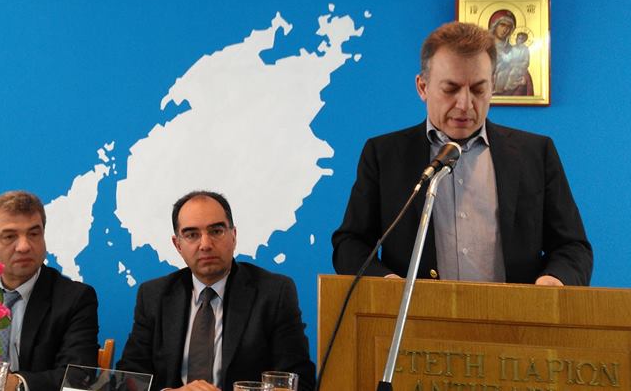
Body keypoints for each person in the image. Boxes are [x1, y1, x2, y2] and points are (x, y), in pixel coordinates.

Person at [332, 21, 592, 286]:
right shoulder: (384, 155)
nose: (465, 104)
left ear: (493, 86)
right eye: (450, 89)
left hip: (514, 312)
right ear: (422, 87)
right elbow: (350, 244)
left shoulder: (535, 154)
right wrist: (386, 284)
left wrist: (554, 280)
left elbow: (572, 247)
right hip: (416, 311)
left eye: (478, 89)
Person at [117, 191, 315, 391]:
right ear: (178, 245)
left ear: (233, 236)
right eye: (192, 235)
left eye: (216, 231)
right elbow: (128, 380)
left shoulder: (273, 293)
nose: (205, 245)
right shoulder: (154, 295)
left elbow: (299, 382)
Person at [0, 190, 98, 391]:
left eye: (33, 234)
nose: (24, 246)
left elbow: (77, 375)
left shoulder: (74, 299)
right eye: (10, 236)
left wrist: (16, 384)